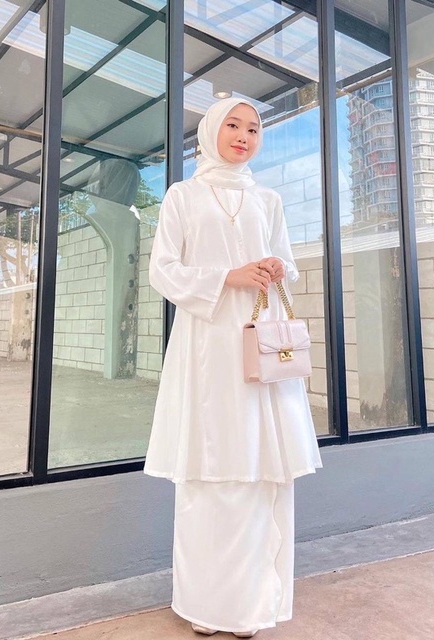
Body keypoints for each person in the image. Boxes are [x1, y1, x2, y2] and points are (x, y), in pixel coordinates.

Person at [143, 97, 323, 637]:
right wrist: (227, 277)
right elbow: (162, 270)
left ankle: (253, 606)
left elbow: (288, 261)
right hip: (207, 344)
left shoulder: (268, 199)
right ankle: (206, 606)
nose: (244, 136)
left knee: (261, 466)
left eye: (253, 128)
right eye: (233, 126)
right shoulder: (183, 196)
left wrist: (274, 266)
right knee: (210, 467)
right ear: (210, 133)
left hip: (260, 343)